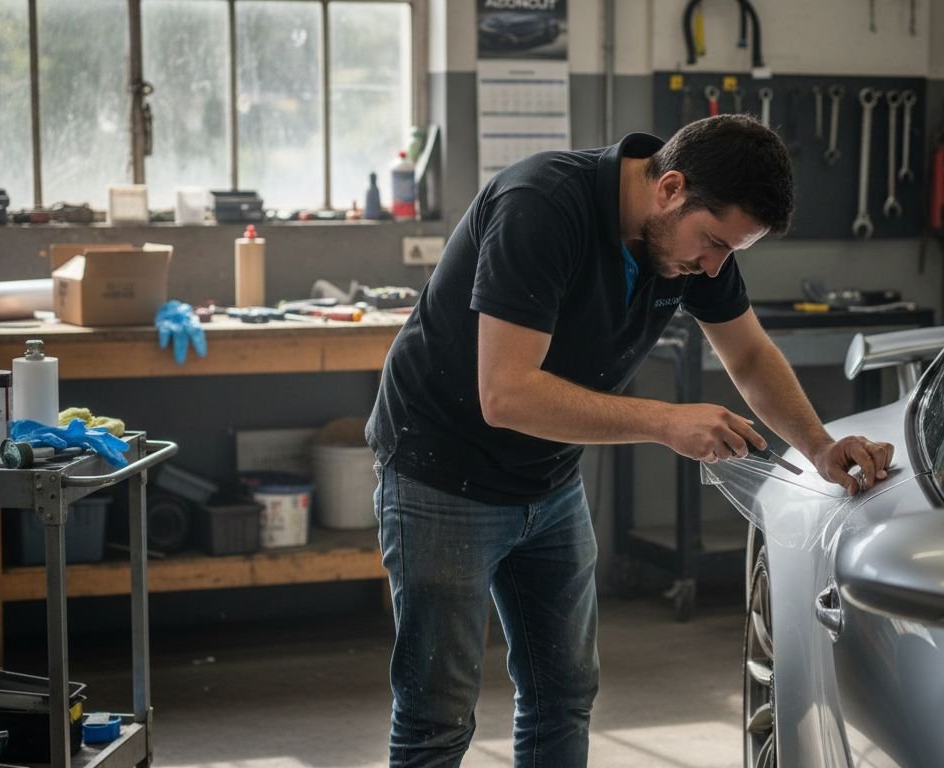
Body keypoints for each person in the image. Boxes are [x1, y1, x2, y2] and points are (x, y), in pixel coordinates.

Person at [366, 114, 894, 767]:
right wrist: (665, 420)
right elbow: (506, 394)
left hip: (548, 481)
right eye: (712, 243)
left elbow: (750, 356)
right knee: (436, 716)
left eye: (730, 252)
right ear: (669, 188)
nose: (712, 267)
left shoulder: (692, 242)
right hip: (440, 473)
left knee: (563, 696)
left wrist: (817, 447)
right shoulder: (541, 207)